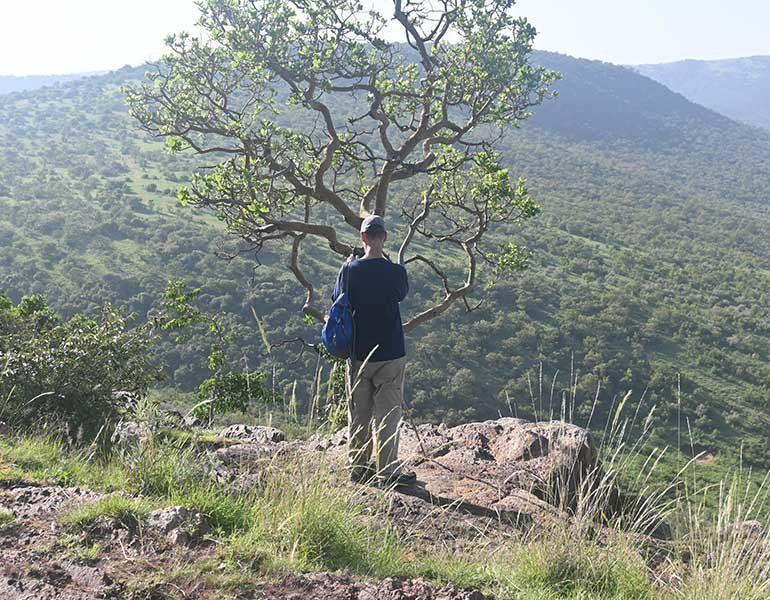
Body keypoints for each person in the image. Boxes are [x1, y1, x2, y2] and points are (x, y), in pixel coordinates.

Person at [332, 215, 417, 486]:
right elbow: (401, 294)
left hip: (358, 354)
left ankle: (358, 467)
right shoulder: (396, 272)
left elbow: (337, 299)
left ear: (363, 238)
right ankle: (388, 472)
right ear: (384, 238)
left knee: (359, 413)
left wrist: (349, 264)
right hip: (391, 352)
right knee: (388, 414)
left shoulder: (350, 271)